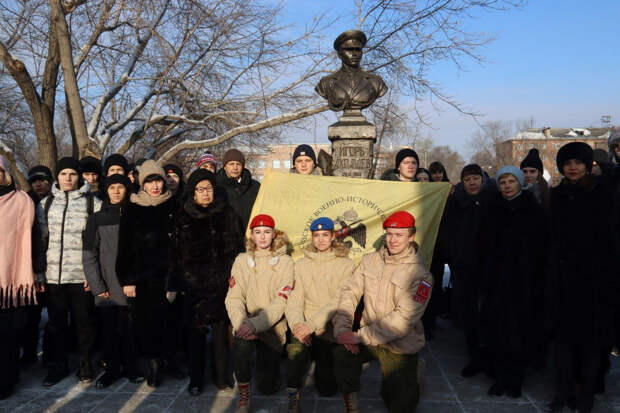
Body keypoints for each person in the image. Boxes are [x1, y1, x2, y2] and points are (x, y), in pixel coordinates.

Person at [332, 211, 433, 413]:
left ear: (411, 237)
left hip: (400, 343)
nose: (392, 240)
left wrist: (358, 337)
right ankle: (351, 407)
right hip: (368, 335)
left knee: (400, 404)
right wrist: (343, 330)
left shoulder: (421, 275)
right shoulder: (370, 261)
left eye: (399, 235)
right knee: (340, 354)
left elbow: (403, 319)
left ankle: (413, 370)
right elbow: (349, 293)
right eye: (389, 234)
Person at [545, 142, 616, 413]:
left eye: (578, 163)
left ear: (587, 165)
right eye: (567, 163)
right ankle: (562, 393)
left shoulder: (602, 194)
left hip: (593, 282)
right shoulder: (558, 195)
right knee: (563, 343)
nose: (572, 168)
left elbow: (610, 239)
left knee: (590, 343)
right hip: (563, 281)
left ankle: (586, 394)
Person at [167, 169, 244, 396]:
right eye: (200, 189)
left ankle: (221, 377)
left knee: (221, 335)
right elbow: (173, 256)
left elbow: (238, 249)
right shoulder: (182, 218)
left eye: (209, 188)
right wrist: (175, 284)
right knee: (195, 337)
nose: (205, 193)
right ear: (193, 193)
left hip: (222, 285)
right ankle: (196, 379)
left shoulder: (227, 214)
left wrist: (235, 278)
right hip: (194, 288)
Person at [482, 166, 548, 398]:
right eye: (503, 182)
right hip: (497, 280)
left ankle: (516, 378)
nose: (507, 185)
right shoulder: (492, 210)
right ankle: (500, 377)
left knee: (519, 331)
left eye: (511, 181)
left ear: (520, 183)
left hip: (524, 281)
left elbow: (541, 249)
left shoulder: (534, 211)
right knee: (498, 330)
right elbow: (484, 245)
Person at [37, 157, 101, 387]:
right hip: (54, 277)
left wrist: (93, 276)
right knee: (56, 325)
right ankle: (59, 365)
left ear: (79, 176)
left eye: (72, 174)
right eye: (63, 174)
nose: (68, 178)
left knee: (84, 324)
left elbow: (98, 243)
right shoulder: (45, 204)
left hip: (81, 276)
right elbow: (40, 243)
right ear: (57, 176)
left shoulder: (92, 203)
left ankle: (85, 364)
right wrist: (39, 274)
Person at [116, 160, 179, 387]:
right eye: (150, 181)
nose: (155, 186)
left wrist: (174, 281)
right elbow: (124, 246)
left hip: (167, 275)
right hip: (141, 277)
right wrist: (127, 279)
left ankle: (170, 361)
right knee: (146, 323)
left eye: (158, 180)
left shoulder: (174, 205)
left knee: (170, 321)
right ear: (142, 183)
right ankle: (152, 366)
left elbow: (180, 247)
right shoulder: (133, 207)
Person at [225, 214, 295, 413]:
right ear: (252, 236)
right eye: (258, 232)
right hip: (246, 325)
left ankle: (268, 373)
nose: (262, 237)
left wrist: (255, 324)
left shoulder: (286, 262)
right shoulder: (241, 260)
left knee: (268, 388)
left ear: (274, 235)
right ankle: (244, 394)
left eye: (266, 232)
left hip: (271, 328)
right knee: (240, 345)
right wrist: (241, 323)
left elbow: (282, 301)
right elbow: (234, 297)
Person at [285, 217, 354, 411]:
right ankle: (292, 394)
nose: (321, 240)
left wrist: (311, 325)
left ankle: (320, 365)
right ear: (312, 238)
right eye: (317, 235)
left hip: (327, 326)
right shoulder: (300, 265)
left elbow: (338, 301)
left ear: (333, 236)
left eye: (325, 235)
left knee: (327, 388)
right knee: (295, 352)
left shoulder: (346, 265)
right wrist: (298, 325)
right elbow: (295, 300)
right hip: (304, 324)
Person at [82, 174, 144, 388]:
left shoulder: (136, 215)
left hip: (132, 286)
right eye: (112, 187)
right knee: (109, 331)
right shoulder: (96, 219)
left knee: (130, 329)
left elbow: (141, 252)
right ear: (106, 191)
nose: (116, 191)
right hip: (107, 286)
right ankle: (112, 370)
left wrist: (136, 280)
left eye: (120, 187)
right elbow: (89, 255)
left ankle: (131, 367)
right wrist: (97, 287)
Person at [443, 164, 496, 378]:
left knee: (489, 315)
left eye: (475, 178)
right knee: (470, 315)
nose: (472, 183)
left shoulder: (492, 202)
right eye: (468, 179)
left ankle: (490, 357)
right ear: (462, 183)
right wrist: (455, 255)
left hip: (490, 268)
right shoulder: (456, 203)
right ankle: (474, 357)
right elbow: (448, 232)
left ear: (482, 180)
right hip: (465, 268)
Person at [0, 155, 38, 399]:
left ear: (5, 173)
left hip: (12, 279)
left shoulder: (22, 201)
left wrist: (37, 272)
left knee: (7, 335)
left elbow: (34, 238)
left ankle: (6, 380)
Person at [315, 30, 388, 112]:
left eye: (357, 50)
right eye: (349, 50)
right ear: (339, 54)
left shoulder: (376, 82)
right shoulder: (326, 83)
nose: (354, 54)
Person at [215, 149, 261, 230]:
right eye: (231, 164)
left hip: (250, 233)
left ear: (242, 166)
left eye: (238, 164)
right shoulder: (216, 186)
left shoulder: (254, 186)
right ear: (225, 167)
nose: (235, 168)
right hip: (226, 235)